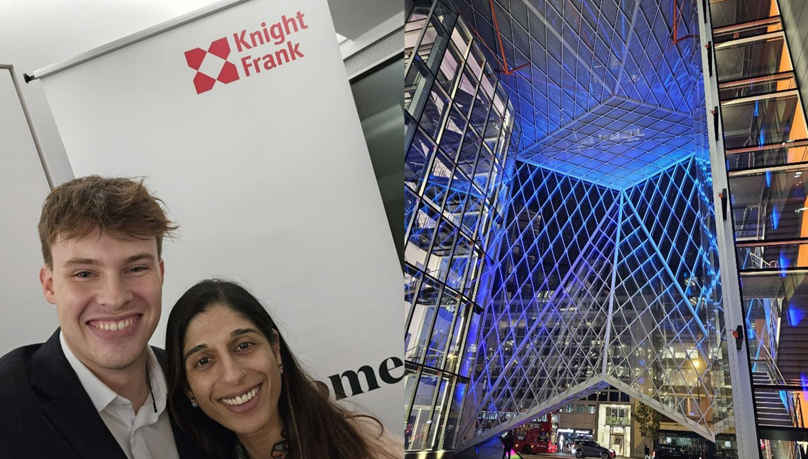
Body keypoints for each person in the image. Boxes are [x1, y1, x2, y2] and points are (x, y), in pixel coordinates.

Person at [0, 175, 200, 457]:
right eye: (84, 273)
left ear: (160, 273)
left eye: (136, 269)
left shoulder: (200, 384)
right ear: (50, 285)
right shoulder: (7, 408)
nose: (115, 298)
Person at [164, 279, 403, 459]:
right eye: (204, 361)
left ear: (276, 349)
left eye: (244, 345)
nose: (232, 375)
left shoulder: (364, 448)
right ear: (188, 387)